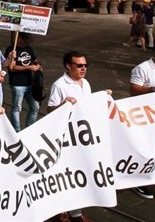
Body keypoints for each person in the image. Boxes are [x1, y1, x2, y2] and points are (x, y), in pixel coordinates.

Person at [48, 51, 109, 222]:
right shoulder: (60, 85)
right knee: (67, 175)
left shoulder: (86, 83)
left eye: (85, 65)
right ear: (68, 66)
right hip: (66, 138)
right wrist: (63, 104)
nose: (83, 69)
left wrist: (103, 98)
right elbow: (49, 111)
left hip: (82, 136)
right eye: (79, 65)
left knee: (80, 174)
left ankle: (75, 213)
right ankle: (63, 212)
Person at [129, 54, 155, 199]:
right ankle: (136, 180)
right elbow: (133, 90)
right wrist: (152, 90)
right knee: (142, 149)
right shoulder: (143, 68)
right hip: (145, 116)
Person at [5, 33, 41, 132]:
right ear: (19, 38)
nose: (27, 42)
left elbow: (35, 60)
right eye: (25, 40)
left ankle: (30, 128)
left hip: (30, 82)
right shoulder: (11, 50)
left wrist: (38, 65)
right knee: (17, 108)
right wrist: (29, 67)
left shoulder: (28, 48)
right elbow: (11, 68)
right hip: (17, 84)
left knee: (35, 107)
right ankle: (16, 131)